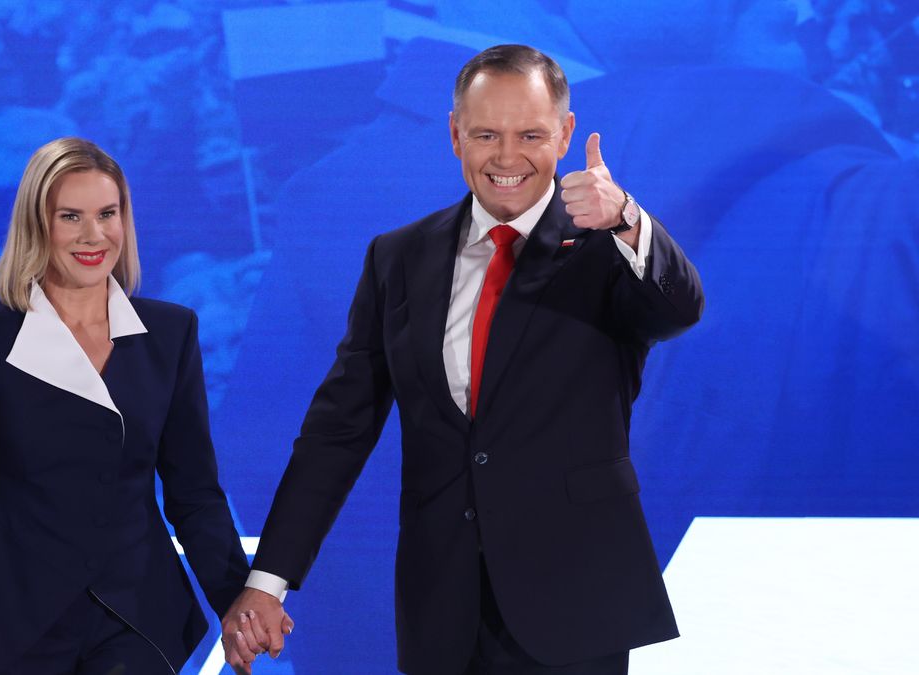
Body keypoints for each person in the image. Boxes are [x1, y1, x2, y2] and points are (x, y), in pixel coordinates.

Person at [220, 45, 704, 674]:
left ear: (564, 135)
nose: (507, 157)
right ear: (455, 135)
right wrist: (269, 580)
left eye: (530, 135)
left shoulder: (606, 247)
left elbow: (679, 310)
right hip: (442, 608)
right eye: (486, 134)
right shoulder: (398, 258)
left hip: (576, 599)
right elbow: (337, 432)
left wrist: (627, 221)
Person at [0, 137, 263, 674]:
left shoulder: (170, 333)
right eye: (70, 216)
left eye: (107, 214)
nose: (93, 235)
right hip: (16, 623)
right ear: (36, 224)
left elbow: (194, 493)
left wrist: (237, 603)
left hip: (138, 618)